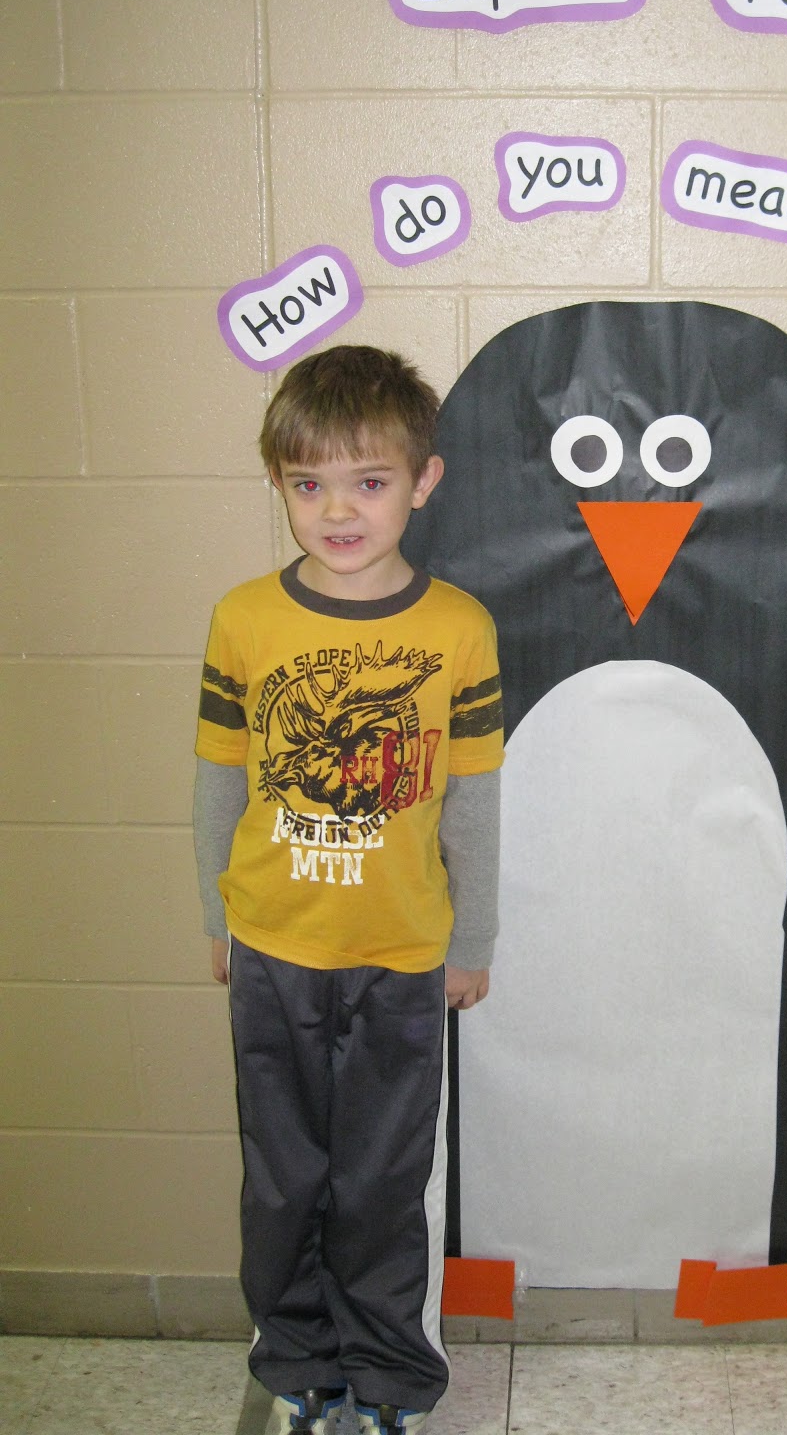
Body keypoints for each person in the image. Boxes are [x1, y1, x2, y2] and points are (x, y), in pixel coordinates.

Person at [193, 344, 504, 1435]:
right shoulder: (244, 619)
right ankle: (294, 1365)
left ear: (423, 481)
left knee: (381, 1183)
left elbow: (473, 802)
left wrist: (473, 941)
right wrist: (219, 920)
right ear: (279, 484)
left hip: (402, 959)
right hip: (272, 951)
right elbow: (218, 781)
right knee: (282, 1179)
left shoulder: (459, 629)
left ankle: (389, 1379)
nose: (337, 510)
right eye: (308, 483)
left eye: (369, 481)